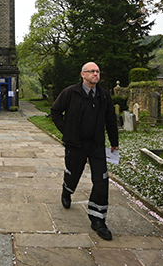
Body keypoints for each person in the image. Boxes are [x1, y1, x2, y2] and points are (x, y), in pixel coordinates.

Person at [50, 61, 119, 241]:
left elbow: (110, 119)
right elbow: (55, 112)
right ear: (83, 74)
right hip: (76, 144)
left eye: (97, 71)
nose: (96, 74)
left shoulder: (103, 95)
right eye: (92, 72)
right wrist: (67, 131)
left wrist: (114, 142)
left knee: (101, 181)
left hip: (96, 145)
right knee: (73, 174)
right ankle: (67, 191)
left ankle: (98, 220)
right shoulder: (70, 93)